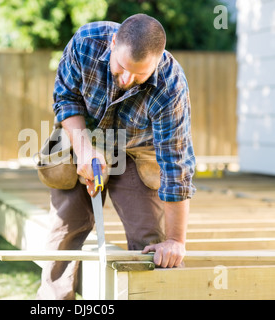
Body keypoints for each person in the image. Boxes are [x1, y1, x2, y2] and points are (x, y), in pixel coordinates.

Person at [36, 13, 196, 300]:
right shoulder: (86, 43)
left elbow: (176, 167)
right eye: (121, 67)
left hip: (136, 148)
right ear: (112, 43)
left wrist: (175, 241)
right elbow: (66, 98)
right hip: (82, 134)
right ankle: (53, 301)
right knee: (66, 228)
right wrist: (85, 152)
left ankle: (150, 295)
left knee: (148, 238)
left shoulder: (171, 87)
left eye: (140, 75)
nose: (127, 79)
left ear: (156, 64)